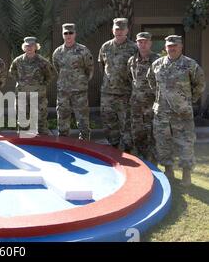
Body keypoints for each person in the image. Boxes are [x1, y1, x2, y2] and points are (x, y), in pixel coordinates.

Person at [146, 35, 206, 186]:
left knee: (185, 143)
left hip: (182, 113)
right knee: (162, 143)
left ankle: (186, 174)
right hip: (162, 112)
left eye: (175, 46)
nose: (171, 48)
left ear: (181, 47)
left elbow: (200, 84)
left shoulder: (190, 64)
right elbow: (151, 81)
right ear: (165, 48)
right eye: (169, 46)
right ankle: (168, 171)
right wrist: (161, 97)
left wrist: (188, 100)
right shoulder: (157, 64)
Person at [98, 18, 138, 151]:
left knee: (126, 124)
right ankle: (114, 148)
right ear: (113, 30)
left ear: (127, 30)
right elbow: (102, 66)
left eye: (122, 29)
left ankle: (127, 151)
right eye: (117, 29)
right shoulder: (105, 46)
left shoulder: (133, 48)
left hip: (125, 93)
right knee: (109, 123)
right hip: (108, 92)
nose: (119, 32)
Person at [53, 23, 94, 140]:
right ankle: (63, 144)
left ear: (75, 34)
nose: (68, 35)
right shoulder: (57, 52)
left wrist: (80, 82)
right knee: (62, 120)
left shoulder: (83, 51)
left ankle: (85, 146)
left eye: (71, 33)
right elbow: (57, 68)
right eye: (66, 33)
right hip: (63, 92)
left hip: (79, 91)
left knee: (83, 121)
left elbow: (89, 69)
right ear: (62, 35)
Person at [9, 37, 55, 135]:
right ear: (24, 48)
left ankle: (43, 142)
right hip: (22, 94)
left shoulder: (42, 61)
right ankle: (23, 143)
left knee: (40, 119)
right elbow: (12, 72)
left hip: (38, 95)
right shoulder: (18, 61)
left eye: (32, 46)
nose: (29, 48)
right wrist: (21, 82)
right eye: (27, 46)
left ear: (36, 47)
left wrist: (42, 85)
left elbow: (50, 74)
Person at [127, 32, 160, 162]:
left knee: (152, 134)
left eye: (145, 41)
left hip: (151, 105)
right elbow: (131, 79)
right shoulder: (131, 60)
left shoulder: (157, 61)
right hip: (136, 105)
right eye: (140, 42)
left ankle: (153, 163)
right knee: (137, 134)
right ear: (136, 43)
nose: (143, 44)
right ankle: (141, 162)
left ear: (150, 43)